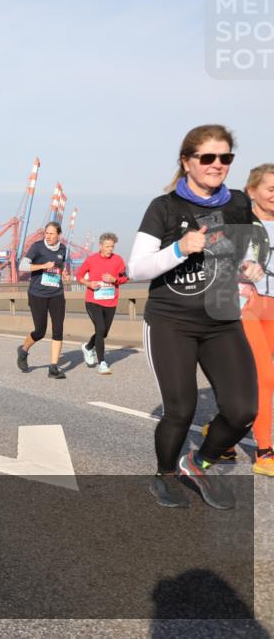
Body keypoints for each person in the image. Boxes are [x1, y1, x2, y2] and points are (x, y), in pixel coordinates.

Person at [128, 124, 260, 509]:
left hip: (221, 319)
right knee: (181, 410)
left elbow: (246, 248)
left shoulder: (236, 202)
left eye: (225, 158)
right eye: (207, 157)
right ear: (187, 162)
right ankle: (165, 475)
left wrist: (250, 266)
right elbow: (136, 269)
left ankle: (196, 462)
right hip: (171, 321)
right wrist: (179, 249)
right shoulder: (164, 207)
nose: (217, 165)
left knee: (242, 411)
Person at [232, 163, 274, 476]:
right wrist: (242, 267)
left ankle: (222, 427)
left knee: (252, 378)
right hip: (246, 304)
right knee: (264, 376)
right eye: (270, 189)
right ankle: (263, 451)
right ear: (252, 191)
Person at [17, 222, 68, 379]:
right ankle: (23, 350)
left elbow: (60, 266)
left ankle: (53, 368)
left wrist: (63, 273)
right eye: (47, 233)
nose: (48, 236)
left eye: (52, 233)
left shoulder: (62, 249)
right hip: (37, 294)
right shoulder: (37, 247)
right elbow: (22, 266)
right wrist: (42, 265)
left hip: (56, 293)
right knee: (40, 331)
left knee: (58, 330)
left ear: (58, 234)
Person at [76, 233, 129, 375]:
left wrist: (114, 279)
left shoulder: (118, 260)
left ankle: (88, 347)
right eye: (107, 246)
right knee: (100, 329)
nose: (110, 249)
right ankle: (102, 363)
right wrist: (89, 284)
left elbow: (125, 278)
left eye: (112, 246)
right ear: (100, 246)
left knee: (103, 333)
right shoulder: (91, 260)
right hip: (93, 301)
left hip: (111, 302)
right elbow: (79, 276)